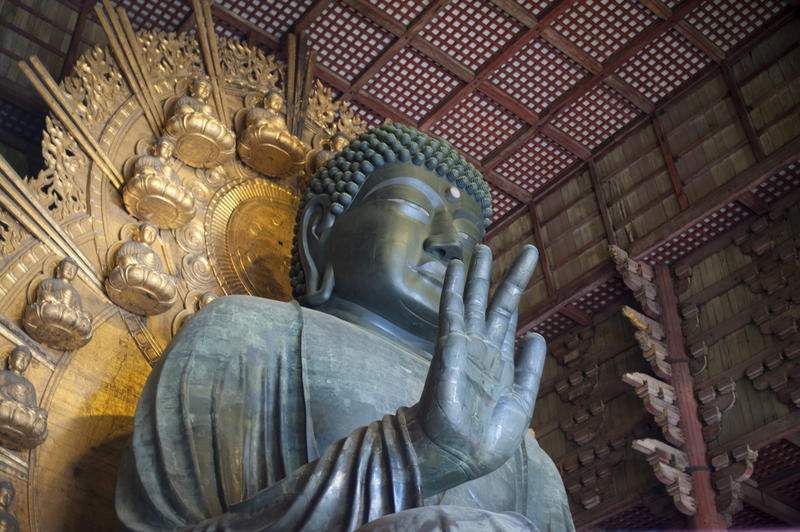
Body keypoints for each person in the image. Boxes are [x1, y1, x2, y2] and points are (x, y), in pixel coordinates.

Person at [116, 124, 574, 531]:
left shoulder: (521, 448)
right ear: (320, 228)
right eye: (412, 207)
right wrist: (410, 455)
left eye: (470, 239)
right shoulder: (244, 333)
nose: (450, 244)